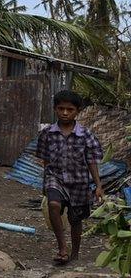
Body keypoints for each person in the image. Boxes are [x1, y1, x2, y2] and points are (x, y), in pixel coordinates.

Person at [37, 90, 104, 265]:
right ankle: (62, 248)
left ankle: (74, 254)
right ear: (55, 109)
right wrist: (47, 181)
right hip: (55, 178)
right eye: (61, 109)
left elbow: (91, 161)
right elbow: (45, 160)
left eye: (70, 109)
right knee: (53, 205)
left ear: (77, 111)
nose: (65, 113)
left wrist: (98, 185)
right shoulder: (47, 134)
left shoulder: (85, 135)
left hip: (79, 183)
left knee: (76, 220)